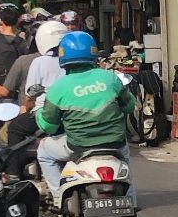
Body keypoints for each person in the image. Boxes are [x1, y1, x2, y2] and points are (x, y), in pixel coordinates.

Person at [35, 31, 133, 202]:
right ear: (93, 53)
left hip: (78, 145)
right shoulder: (110, 78)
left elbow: (49, 127)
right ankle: (132, 207)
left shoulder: (58, 88)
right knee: (127, 176)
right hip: (116, 144)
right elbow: (130, 107)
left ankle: (58, 197)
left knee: (44, 151)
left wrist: (38, 115)